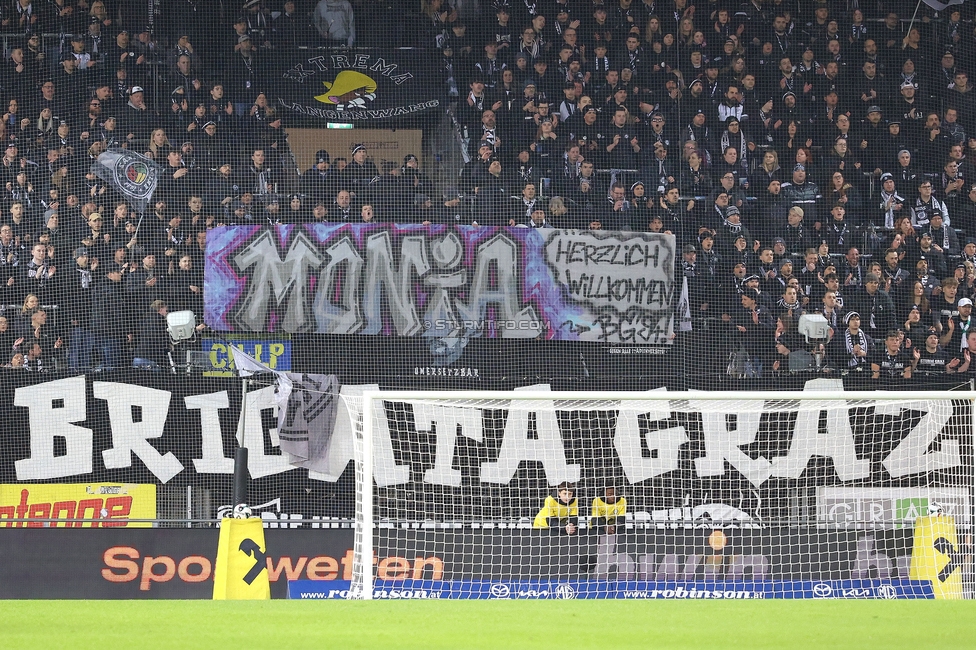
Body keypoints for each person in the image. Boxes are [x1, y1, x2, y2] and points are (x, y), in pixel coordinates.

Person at [132, 299, 171, 370]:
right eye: (166, 310)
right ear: (161, 309)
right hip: (150, 358)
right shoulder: (160, 322)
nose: (166, 312)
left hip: (138, 356)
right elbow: (161, 340)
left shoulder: (145, 319)